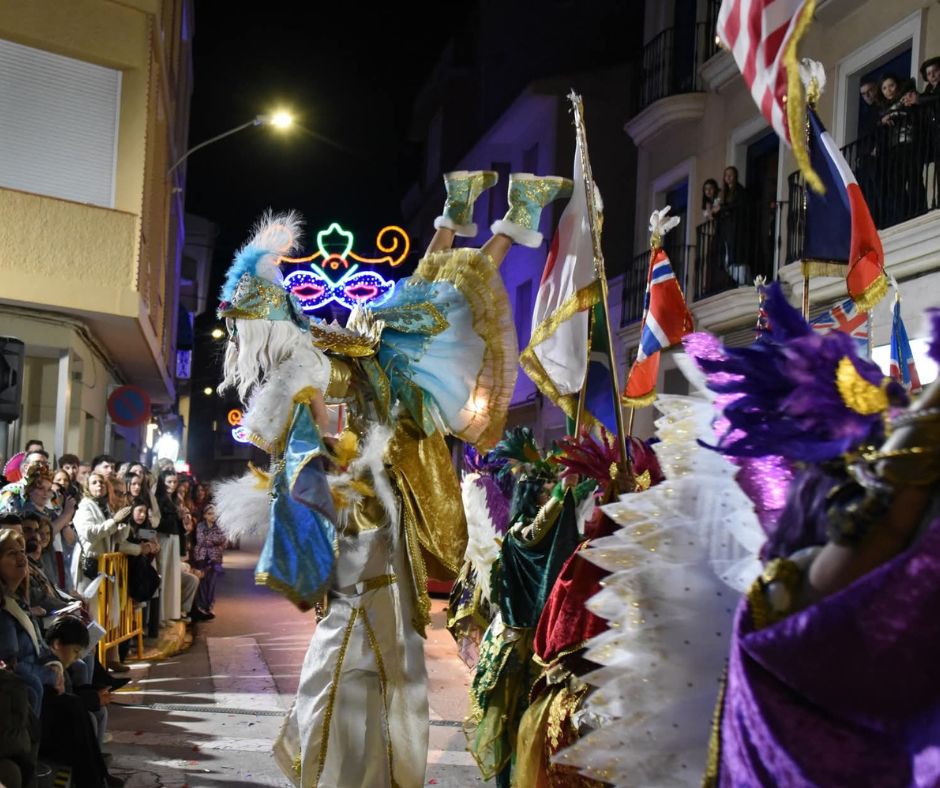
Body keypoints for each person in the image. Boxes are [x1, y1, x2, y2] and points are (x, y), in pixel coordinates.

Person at [217, 168, 565, 787]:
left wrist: (322, 464)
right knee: (431, 305)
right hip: (371, 527)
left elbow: (318, 453)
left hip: (371, 525)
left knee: (366, 661)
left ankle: (493, 216)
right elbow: (314, 456)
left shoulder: (322, 365)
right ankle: (490, 215)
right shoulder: (329, 360)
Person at [154, 471, 183, 624]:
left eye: (174, 482)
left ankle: (167, 614)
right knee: (163, 576)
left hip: (173, 538)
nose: (172, 485)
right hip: (164, 537)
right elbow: (158, 522)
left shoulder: (174, 499)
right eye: (169, 482)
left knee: (171, 577)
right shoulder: (159, 499)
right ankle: (160, 616)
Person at [715, 165, 750, 286]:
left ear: (735, 176)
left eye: (730, 175)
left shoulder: (740, 191)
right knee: (727, 257)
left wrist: (722, 208)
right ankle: (734, 281)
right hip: (727, 230)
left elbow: (738, 206)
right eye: (726, 175)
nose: (728, 178)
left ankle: (741, 282)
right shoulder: (724, 194)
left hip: (735, 229)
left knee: (735, 257)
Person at [192, 503, 225, 619]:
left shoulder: (220, 526)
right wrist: (212, 541)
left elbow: (221, 538)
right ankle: (201, 606)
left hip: (215, 558)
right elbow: (200, 539)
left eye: (214, 514)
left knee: (212, 584)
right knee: (202, 583)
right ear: (205, 515)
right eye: (210, 514)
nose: (212, 516)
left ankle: (209, 606)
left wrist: (210, 540)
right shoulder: (200, 526)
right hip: (201, 558)